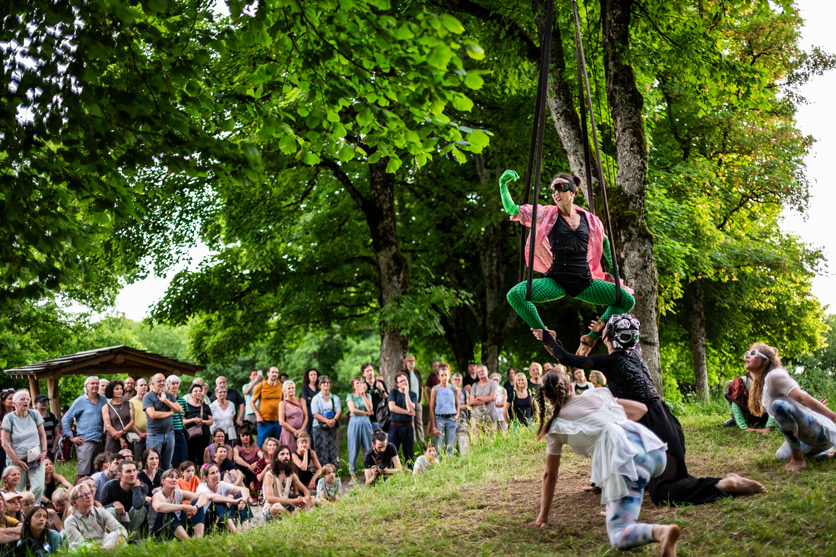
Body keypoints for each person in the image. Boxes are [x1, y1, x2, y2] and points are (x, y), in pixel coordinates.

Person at [535, 315, 768, 506]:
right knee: (656, 473)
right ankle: (611, 483)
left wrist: (547, 337)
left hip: (654, 428)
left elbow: (566, 357)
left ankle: (724, 484)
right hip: (668, 422)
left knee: (665, 493)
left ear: (607, 338)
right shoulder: (635, 355)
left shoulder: (611, 361)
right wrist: (603, 329)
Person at [529, 369, 681, 556]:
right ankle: (618, 506)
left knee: (619, 535)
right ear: (569, 387)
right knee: (628, 481)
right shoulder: (596, 393)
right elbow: (641, 409)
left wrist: (543, 516)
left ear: (544, 395)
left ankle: (661, 532)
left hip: (629, 463)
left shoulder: (555, 427)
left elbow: (549, 475)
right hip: (653, 451)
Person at [499, 170, 635, 356]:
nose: (556, 192)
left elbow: (603, 241)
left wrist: (614, 269)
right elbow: (513, 210)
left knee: (626, 300)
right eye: (553, 189)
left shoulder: (590, 220)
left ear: (573, 192)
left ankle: (592, 336)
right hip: (556, 281)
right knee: (515, 295)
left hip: (584, 283)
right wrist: (502, 185)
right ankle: (546, 335)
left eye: (561, 187)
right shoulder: (547, 214)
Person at [745, 342, 836, 471]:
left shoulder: (774, 375)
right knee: (780, 456)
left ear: (765, 360)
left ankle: (798, 460)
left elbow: (802, 397)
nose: (748, 356)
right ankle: (828, 455)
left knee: (778, 405)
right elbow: (797, 403)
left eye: (753, 353)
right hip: (810, 438)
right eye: (747, 353)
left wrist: (832, 416)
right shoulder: (766, 381)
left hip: (819, 432)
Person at [1, 390, 47, 504]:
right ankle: (18, 514)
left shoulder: (35, 414)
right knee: (17, 490)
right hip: (17, 459)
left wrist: (44, 452)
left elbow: (42, 435)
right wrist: (17, 461)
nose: (25, 401)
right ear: (14, 403)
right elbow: (5, 443)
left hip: (36, 458)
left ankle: (32, 510)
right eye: (22, 399)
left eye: (27, 399)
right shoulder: (9, 419)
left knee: (38, 487)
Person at [61, 377, 106, 476]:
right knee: (82, 473)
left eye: (97, 383)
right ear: (86, 386)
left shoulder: (103, 399)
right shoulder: (80, 401)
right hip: (85, 441)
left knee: (96, 472)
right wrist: (71, 437)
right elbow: (65, 419)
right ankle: (73, 491)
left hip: (99, 440)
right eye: (92, 383)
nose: (95, 385)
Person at [151, 469, 211, 540]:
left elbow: (202, 497)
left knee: (197, 502)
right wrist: (184, 507)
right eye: (171, 477)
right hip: (160, 531)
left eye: (176, 478)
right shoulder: (158, 495)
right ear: (162, 481)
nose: (174, 479)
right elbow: (158, 507)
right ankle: (188, 541)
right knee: (167, 512)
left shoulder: (179, 492)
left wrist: (195, 507)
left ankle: (198, 539)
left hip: (178, 529)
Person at [63, 483, 127, 550]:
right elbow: (82, 545)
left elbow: (121, 529)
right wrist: (105, 549)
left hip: (105, 549)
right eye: (83, 495)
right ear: (74, 503)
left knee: (115, 534)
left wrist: (117, 545)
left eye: (90, 493)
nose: (88, 496)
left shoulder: (101, 512)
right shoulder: (70, 522)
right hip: (83, 553)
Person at [195, 463, 252, 534]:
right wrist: (233, 501)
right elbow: (211, 497)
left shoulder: (221, 484)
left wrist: (243, 500)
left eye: (217, 472)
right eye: (212, 473)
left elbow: (245, 489)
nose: (216, 475)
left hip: (222, 519)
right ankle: (236, 533)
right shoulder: (201, 487)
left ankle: (246, 531)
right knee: (217, 503)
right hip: (209, 521)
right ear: (206, 478)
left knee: (240, 495)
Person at [143, 373, 183, 471]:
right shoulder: (148, 397)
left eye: (163, 380)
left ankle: (165, 484)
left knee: (167, 465)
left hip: (169, 434)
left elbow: (179, 409)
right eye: (159, 381)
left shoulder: (168, 395)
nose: (162, 383)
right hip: (155, 435)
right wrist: (170, 413)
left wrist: (166, 401)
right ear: (152, 384)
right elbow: (152, 414)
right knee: (153, 465)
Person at [99, 460, 148, 541]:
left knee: (141, 509)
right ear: (119, 475)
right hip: (115, 522)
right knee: (110, 510)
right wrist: (113, 504)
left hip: (133, 523)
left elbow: (137, 505)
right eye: (128, 471)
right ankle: (115, 538)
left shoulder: (142, 487)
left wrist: (136, 488)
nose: (132, 474)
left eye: (134, 470)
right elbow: (101, 508)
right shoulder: (110, 486)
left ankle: (131, 538)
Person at [262, 445, 312, 520]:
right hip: (271, 509)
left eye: (287, 454)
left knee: (313, 499)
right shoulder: (269, 475)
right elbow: (270, 499)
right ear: (276, 458)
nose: (286, 456)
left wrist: (304, 499)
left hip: (287, 507)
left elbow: (306, 490)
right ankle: (294, 518)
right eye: (282, 454)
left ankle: (291, 518)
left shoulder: (291, 474)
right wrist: (293, 501)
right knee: (276, 507)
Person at [345, 377, 373, 484]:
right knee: (353, 449)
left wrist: (364, 396)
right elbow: (353, 410)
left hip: (366, 423)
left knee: (369, 448)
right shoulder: (350, 396)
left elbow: (370, 408)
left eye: (361, 382)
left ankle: (370, 474)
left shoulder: (368, 395)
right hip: (354, 423)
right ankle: (353, 476)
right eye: (357, 383)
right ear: (353, 386)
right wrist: (366, 413)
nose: (360, 384)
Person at [310, 376, 341, 468]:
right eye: (323, 383)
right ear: (320, 385)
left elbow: (338, 411)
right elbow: (315, 414)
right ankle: (322, 473)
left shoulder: (335, 398)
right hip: (319, 427)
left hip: (332, 426)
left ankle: (335, 472)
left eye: (328, 382)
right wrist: (327, 421)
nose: (326, 384)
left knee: (333, 450)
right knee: (321, 450)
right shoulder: (316, 398)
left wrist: (333, 420)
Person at [428, 364, 458, 456]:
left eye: (446, 375)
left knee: (450, 445)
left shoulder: (453, 388)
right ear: (439, 377)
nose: (444, 377)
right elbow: (431, 408)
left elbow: (458, 405)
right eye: (442, 375)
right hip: (439, 419)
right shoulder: (435, 389)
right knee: (439, 446)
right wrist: (433, 426)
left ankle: (450, 465)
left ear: (449, 375)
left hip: (451, 419)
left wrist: (457, 415)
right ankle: (437, 465)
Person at [387, 372, 417, 466]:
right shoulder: (393, 392)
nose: (404, 382)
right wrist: (407, 412)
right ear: (397, 384)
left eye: (405, 380)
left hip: (407, 427)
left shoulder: (413, 394)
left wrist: (406, 393)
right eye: (401, 381)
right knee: (391, 452)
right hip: (394, 427)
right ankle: (391, 474)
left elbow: (411, 408)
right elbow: (392, 407)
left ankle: (409, 474)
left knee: (409, 453)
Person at [251, 366, 283, 447]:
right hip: (264, 422)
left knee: (276, 446)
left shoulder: (281, 386)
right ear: (268, 373)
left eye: (276, 372)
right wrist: (258, 415)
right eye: (273, 372)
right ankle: (261, 460)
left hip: (278, 422)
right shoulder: (261, 386)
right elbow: (252, 402)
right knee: (262, 446)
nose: (274, 374)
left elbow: (284, 401)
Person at [102, 380, 135, 455]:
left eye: (121, 389)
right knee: (111, 461)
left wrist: (121, 432)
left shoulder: (129, 404)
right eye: (117, 389)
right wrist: (120, 439)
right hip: (112, 439)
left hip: (127, 437)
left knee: (128, 461)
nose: (120, 391)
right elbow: (108, 426)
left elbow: (132, 422)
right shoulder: (106, 407)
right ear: (111, 391)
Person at [184, 383, 212, 467]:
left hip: (204, 435)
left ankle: (202, 474)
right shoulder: (186, 406)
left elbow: (211, 421)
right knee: (190, 457)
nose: (198, 393)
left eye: (200, 391)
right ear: (190, 394)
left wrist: (203, 421)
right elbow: (182, 421)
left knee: (202, 458)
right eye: (196, 391)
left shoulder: (206, 406)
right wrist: (193, 420)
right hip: (191, 436)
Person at [468, 365, 499, 438]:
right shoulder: (474, 385)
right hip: (476, 418)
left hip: (490, 417)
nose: (480, 373)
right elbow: (471, 402)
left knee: (490, 442)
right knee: (476, 443)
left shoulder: (493, 383)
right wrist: (486, 399)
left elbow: (492, 397)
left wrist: (478, 398)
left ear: (487, 371)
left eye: (482, 371)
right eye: (478, 372)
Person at [165, 375, 189, 469]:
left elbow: (183, 416)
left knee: (181, 459)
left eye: (177, 383)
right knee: (171, 459)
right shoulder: (165, 399)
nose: (175, 386)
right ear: (168, 385)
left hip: (180, 431)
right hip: (169, 431)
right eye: (173, 383)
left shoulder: (182, 400)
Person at [278, 381, 307, 454]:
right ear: (285, 391)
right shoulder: (282, 403)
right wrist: (294, 431)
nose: (291, 390)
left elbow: (306, 417)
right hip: (288, 432)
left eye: (293, 388)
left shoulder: (302, 401)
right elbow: (281, 421)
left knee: (302, 451)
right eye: (289, 388)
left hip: (301, 431)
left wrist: (301, 430)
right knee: (289, 452)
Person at [402, 354, 425, 444]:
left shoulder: (417, 372)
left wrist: (421, 397)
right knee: (411, 422)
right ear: (406, 363)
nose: (412, 362)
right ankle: (413, 440)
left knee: (419, 421)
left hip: (418, 401)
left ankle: (421, 440)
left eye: (413, 361)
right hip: (408, 401)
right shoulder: (404, 373)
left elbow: (421, 386)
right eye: (410, 361)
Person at [233, 427, 262, 492]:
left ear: (250, 437)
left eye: (247, 435)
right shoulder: (237, 448)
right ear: (240, 438)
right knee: (241, 460)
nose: (245, 437)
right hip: (243, 469)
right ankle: (247, 483)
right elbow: (236, 458)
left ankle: (252, 482)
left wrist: (256, 463)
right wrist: (248, 465)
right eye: (243, 436)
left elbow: (262, 456)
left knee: (258, 461)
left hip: (253, 469)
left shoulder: (255, 447)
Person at [32, 396, 59, 464]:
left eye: (46, 401)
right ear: (35, 405)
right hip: (36, 450)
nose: (44, 403)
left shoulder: (52, 416)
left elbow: (57, 435)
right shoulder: (31, 417)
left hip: (50, 450)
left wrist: (53, 450)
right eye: (41, 401)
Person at [362, 364, 388, 431]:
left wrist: (381, 389)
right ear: (363, 374)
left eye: (371, 370)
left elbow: (387, 399)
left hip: (380, 416)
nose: (370, 372)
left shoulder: (380, 383)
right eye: (367, 371)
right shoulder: (362, 385)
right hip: (368, 417)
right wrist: (363, 392)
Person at [129, 378, 148, 462]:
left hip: (150, 435)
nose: (143, 387)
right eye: (141, 385)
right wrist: (140, 434)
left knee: (148, 461)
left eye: (145, 385)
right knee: (135, 461)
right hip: (136, 436)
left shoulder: (151, 400)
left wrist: (148, 433)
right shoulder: (131, 402)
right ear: (136, 388)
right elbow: (130, 421)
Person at [451, 373, 470, 454]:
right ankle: (449, 462)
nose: (457, 381)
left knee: (464, 444)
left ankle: (465, 461)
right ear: (451, 381)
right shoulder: (448, 391)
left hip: (463, 420)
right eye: (455, 379)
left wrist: (457, 406)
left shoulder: (465, 392)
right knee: (451, 444)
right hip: (451, 420)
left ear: (461, 382)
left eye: (459, 380)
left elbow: (468, 406)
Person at [300, 369, 319, 440]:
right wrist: (316, 401)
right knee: (309, 431)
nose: (313, 376)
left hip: (318, 412)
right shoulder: (305, 387)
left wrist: (311, 399)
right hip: (309, 412)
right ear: (308, 377)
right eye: (311, 375)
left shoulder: (319, 387)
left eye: (315, 374)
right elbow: (305, 400)